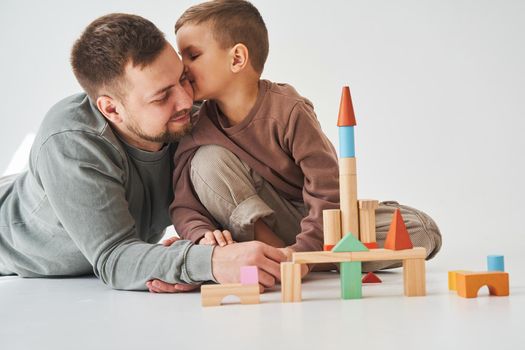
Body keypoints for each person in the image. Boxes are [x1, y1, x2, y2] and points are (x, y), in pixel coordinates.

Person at [0, 13, 286, 292]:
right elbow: (115, 259)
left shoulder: (191, 119)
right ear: (111, 109)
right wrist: (207, 262)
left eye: (183, 79)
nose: (187, 100)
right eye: (162, 97)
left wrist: (190, 254)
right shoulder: (70, 142)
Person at [169, 0, 442, 274]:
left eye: (192, 55)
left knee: (421, 230)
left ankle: (302, 258)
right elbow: (184, 205)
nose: (182, 68)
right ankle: (279, 256)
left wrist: (306, 250)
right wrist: (202, 235)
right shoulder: (197, 126)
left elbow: (327, 186)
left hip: (319, 220)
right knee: (206, 161)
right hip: (256, 220)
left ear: (237, 58)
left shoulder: (288, 110)